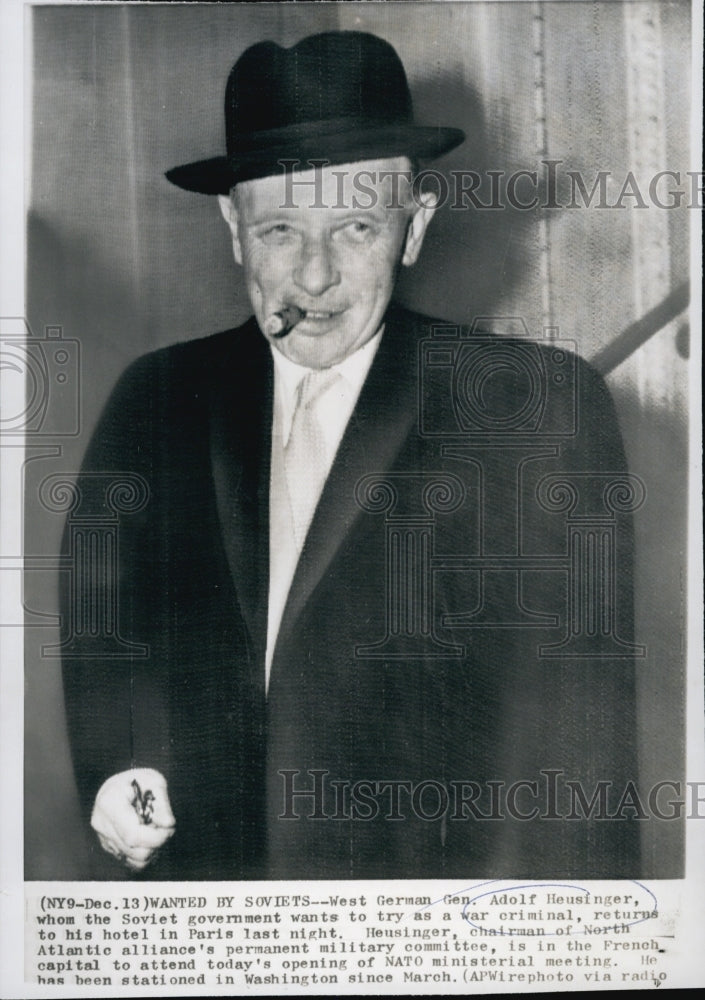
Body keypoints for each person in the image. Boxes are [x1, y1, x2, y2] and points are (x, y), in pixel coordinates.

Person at [62, 31, 640, 879]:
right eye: (282, 230)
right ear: (232, 226)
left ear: (415, 229)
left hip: (438, 916)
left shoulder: (534, 406)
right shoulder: (153, 399)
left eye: (358, 226)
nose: (316, 276)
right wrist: (116, 765)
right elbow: (102, 624)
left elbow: (577, 732)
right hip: (212, 906)